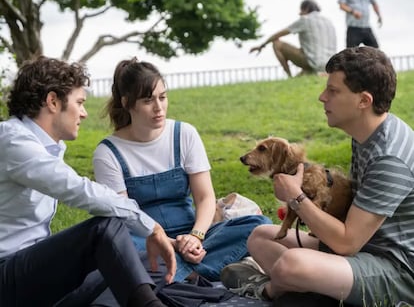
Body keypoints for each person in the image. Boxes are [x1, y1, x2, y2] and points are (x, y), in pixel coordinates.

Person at [220, 46, 414, 306]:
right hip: (366, 248)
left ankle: (270, 290)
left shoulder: (389, 159)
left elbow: (347, 243)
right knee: (260, 236)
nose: (322, 97)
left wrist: (296, 197)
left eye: (333, 91)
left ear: (363, 101)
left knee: (292, 264)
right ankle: (311, 291)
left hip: (397, 270)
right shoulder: (368, 135)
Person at [0, 56, 176, 307]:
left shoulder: (46, 146)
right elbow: (78, 190)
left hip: (32, 277)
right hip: (7, 278)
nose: (84, 113)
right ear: (52, 101)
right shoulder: (12, 141)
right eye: (79, 102)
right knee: (105, 229)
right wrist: (151, 226)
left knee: (147, 263)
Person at [92, 57, 272, 283]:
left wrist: (195, 237)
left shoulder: (184, 134)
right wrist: (172, 244)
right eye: (148, 100)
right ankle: (199, 272)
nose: (159, 108)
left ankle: (174, 274)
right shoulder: (108, 152)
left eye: (163, 97)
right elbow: (124, 218)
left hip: (194, 234)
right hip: (144, 239)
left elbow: (205, 197)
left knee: (259, 227)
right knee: (120, 248)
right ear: (128, 103)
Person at [249, 0, 336, 78]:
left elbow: (277, 35)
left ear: (305, 9)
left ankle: (289, 76)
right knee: (300, 77)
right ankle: (313, 74)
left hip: (312, 62)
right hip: (330, 64)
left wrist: (262, 45)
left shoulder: (305, 20)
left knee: (277, 43)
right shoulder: (329, 22)